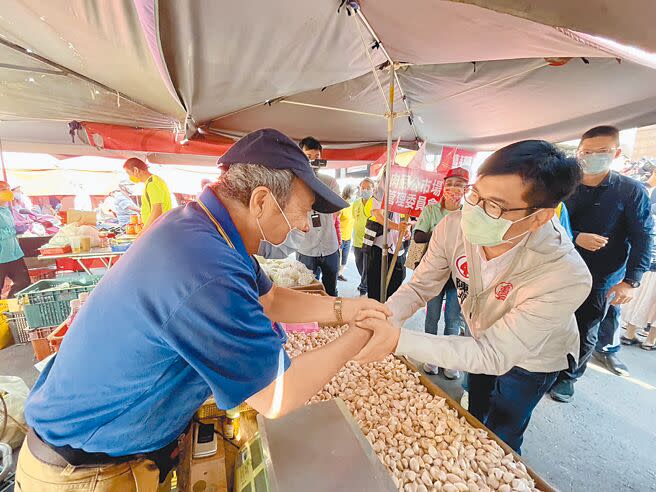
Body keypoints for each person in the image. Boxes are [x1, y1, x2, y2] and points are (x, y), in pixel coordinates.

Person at [18, 129, 389, 491]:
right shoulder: (206, 266)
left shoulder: (202, 226)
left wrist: (348, 309)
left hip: (95, 445)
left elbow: (271, 299)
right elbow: (277, 396)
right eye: (302, 212)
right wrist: (358, 336)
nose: (304, 225)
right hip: (87, 471)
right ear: (261, 201)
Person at [351, 140, 591, 453]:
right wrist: (387, 316)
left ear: (540, 217)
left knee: (503, 431)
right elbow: (421, 285)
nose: (473, 211)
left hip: (534, 357)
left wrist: (396, 341)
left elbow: (495, 354)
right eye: (474, 194)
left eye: (494, 206)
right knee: (475, 414)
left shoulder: (564, 274)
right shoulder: (453, 225)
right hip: (478, 334)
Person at [550, 126, 654, 402]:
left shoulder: (631, 191)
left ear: (616, 153)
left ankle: (568, 378)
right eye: (587, 152)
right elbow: (546, 221)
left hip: (601, 276)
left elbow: (643, 236)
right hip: (557, 268)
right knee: (550, 319)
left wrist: (631, 281)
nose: (593, 157)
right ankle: (544, 367)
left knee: (585, 327)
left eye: (602, 152)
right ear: (579, 152)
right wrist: (575, 237)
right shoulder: (565, 184)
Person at [414, 167, 469, 378]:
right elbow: (418, 236)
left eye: (459, 185)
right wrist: (445, 232)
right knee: (432, 318)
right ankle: (431, 358)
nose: (453, 188)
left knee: (453, 319)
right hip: (433, 273)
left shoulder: (470, 213)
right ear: (443, 187)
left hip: (458, 276)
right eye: (450, 184)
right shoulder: (431, 211)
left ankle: (449, 361)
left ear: (466, 189)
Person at [295, 137, 342, 296]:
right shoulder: (294, 182)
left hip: (329, 245)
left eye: (316, 157)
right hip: (305, 247)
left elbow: (337, 210)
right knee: (306, 290)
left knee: (331, 290)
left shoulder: (330, 181)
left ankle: (331, 320)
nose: (313, 160)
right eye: (308, 156)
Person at [366, 185, 409, 302]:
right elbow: (378, 215)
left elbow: (406, 218)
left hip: (398, 247)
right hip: (380, 246)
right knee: (376, 287)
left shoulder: (406, 193)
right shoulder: (380, 190)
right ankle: (375, 315)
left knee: (396, 286)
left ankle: (389, 315)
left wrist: (407, 230)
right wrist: (397, 227)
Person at [123, 158, 172, 230]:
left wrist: (144, 231)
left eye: (128, 173)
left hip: (157, 229)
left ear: (136, 170)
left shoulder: (152, 183)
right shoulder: (151, 182)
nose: (129, 177)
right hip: (158, 228)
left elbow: (157, 210)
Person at [0, 182, 30, 298]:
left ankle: (10, 306)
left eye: (8, 189)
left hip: (14, 254)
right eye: (3, 190)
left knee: (23, 283)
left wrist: (20, 226)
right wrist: (12, 230)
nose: (8, 192)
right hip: (1, 256)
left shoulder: (6, 209)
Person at [352, 178, 375, 296]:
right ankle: (365, 281)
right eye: (363, 188)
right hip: (357, 240)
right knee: (359, 263)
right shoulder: (356, 203)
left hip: (369, 241)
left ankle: (364, 286)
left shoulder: (375, 203)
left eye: (368, 188)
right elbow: (354, 218)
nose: (365, 190)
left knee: (367, 265)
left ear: (373, 189)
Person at [338, 185, 356, 281]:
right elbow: (335, 221)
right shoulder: (341, 206)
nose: (355, 195)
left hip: (348, 237)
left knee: (344, 258)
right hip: (340, 237)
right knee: (338, 259)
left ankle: (340, 274)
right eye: (354, 193)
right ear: (349, 193)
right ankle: (336, 275)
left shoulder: (353, 206)